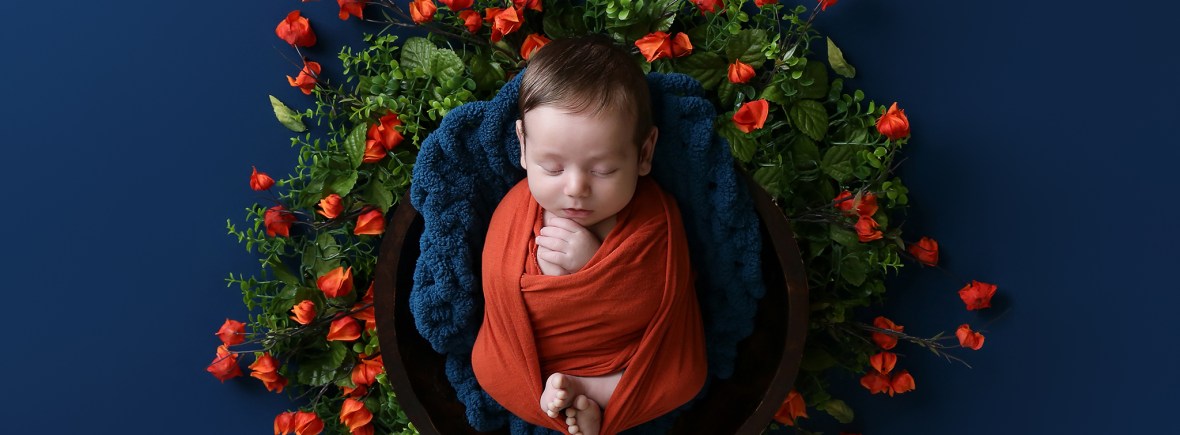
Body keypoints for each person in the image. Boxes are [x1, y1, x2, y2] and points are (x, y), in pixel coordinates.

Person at [471, 36, 707, 435]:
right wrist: (551, 285)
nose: (576, 188)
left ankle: (594, 391)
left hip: (625, 361)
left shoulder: (654, 219)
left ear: (644, 152)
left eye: (603, 170)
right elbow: (498, 289)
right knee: (489, 368)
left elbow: (660, 296)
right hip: (532, 358)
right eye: (552, 168)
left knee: (683, 376)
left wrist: (593, 269)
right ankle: (567, 395)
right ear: (523, 145)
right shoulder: (514, 213)